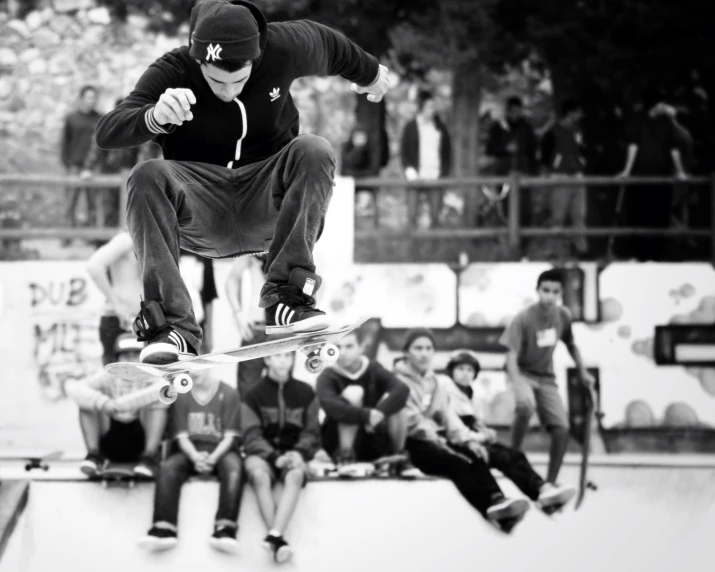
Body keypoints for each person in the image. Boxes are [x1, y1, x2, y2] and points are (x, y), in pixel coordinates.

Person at [95, 0, 390, 365]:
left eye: (239, 80)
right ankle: (173, 327)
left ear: (257, 56)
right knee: (146, 175)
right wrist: (153, 116)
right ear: (198, 59)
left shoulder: (283, 46)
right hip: (202, 211)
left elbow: (330, 44)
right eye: (216, 80)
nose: (228, 90)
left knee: (314, 149)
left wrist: (371, 72)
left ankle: (287, 299)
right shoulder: (172, 71)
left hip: (267, 200)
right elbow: (107, 131)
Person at [394, 328, 531, 529]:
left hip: (433, 440)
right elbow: (411, 421)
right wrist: (440, 441)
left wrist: (468, 440)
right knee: (457, 463)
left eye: (428, 348)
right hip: (409, 444)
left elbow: (448, 417)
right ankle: (490, 509)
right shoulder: (397, 381)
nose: (424, 353)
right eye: (418, 348)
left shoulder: (435, 383)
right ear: (406, 352)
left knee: (473, 453)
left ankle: (498, 499)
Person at [444, 350, 576, 511]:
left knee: (514, 454)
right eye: (460, 369)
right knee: (493, 457)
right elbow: (452, 427)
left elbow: (476, 422)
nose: (465, 374)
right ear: (451, 371)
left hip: (474, 437)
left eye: (469, 370)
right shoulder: (446, 391)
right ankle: (496, 498)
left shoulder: (472, 395)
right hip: (459, 442)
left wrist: (486, 432)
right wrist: (479, 438)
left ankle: (541, 490)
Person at [500, 269, 595, 486]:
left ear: (560, 293)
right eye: (545, 291)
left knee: (562, 428)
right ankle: (513, 455)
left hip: (546, 377)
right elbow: (510, 357)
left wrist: (582, 370)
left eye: (555, 292)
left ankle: (550, 483)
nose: (550, 296)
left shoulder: (563, 316)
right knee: (526, 406)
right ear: (537, 290)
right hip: (521, 373)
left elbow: (571, 344)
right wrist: (519, 386)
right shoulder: (523, 318)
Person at [138, 367, 243, 553]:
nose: (194, 371)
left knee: (234, 467)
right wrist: (195, 456)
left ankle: (225, 528)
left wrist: (212, 458)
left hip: (220, 449)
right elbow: (182, 437)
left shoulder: (229, 393)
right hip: (189, 450)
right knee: (169, 468)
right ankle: (164, 528)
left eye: (199, 365)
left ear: (210, 365)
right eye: (190, 366)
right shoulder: (182, 394)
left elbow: (229, 437)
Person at [241, 352, 320, 563]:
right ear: (267, 359)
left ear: (294, 359)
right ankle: (279, 539)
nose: (283, 360)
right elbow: (251, 435)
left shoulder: (306, 392)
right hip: (262, 455)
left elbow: (312, 431)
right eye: (277, 356)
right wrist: (273, 456)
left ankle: (274, 537)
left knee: (295, 475)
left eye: (287, 355)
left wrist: (299, 452)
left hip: (295, 453)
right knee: (258, 475)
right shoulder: (253, 394)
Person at [64, 333, 168, 477]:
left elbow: (165, 388)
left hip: (140, 439)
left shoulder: (152, 375)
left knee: (159, 403)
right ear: (117, 359)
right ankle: (94, 456)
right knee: (86, 403)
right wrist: (103, 403)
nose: (130, 361)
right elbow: (73, 388)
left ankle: (149, 458)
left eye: (135, 355)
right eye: (125, 356)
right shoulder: (107, 375)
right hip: (110, 438)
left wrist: (120, 405)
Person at [316, 329, 414, 473]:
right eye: (337, 347)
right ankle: (345, 458)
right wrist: (366, 415)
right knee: (353, 393)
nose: (342, 352)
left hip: (372, 437)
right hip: (337, 442)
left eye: (349, 346)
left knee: (398, 404)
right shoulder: (327, 375)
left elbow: (402, 389)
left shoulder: (373, 368)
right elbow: (331, 406)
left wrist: (379, 413)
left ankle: (397, 457)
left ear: (361, 347)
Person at [617, 88, 688, 260]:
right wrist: (627, 171)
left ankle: (657, 256)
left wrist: (679, 171)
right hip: (641, 179)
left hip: (662, 178)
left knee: (660, 217)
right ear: (655, 104)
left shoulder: (667, 122)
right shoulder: (637, 120)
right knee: (640, 216)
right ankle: (640, 256)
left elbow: (674, 148)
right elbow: (633, 146)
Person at [86, 231, 142, 365]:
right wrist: (116, 303)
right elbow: (94, 267)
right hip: (120, 320)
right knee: (114, 380)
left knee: (146, 380)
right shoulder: (127, 239)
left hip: (144, 322)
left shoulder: (156, 241)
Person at [540, 99, 588, 257]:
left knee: (579, 215)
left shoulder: (578, 131)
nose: (580, 115)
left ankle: (581, 250)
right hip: (560, 176)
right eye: (578, 111)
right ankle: (552, 250)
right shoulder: (552, 131)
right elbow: (545, 156)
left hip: (577, 176)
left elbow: (582, 150)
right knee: (557, 216)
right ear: (570, 112)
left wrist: (581, 162)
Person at [224, 254, 268, 397]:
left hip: (283, 328)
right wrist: (238, 314)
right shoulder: (254, 246)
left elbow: (313, 279)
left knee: (282, 389)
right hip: (256, 328)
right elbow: (231, 281)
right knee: (247, 393)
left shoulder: (289, 243)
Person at [62, 85, 102, 230]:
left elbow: (102, 144)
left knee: (93, 202)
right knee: (70, 201)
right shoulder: (71, 119)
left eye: (94, 98)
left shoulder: (100, 119)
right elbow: (65, 143)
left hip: (93, 167)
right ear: (81, 99)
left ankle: (92, 235)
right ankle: (68, 235)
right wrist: (67, 163)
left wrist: (94, 165)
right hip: (74, 165)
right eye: (89, 97)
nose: (91, 101)